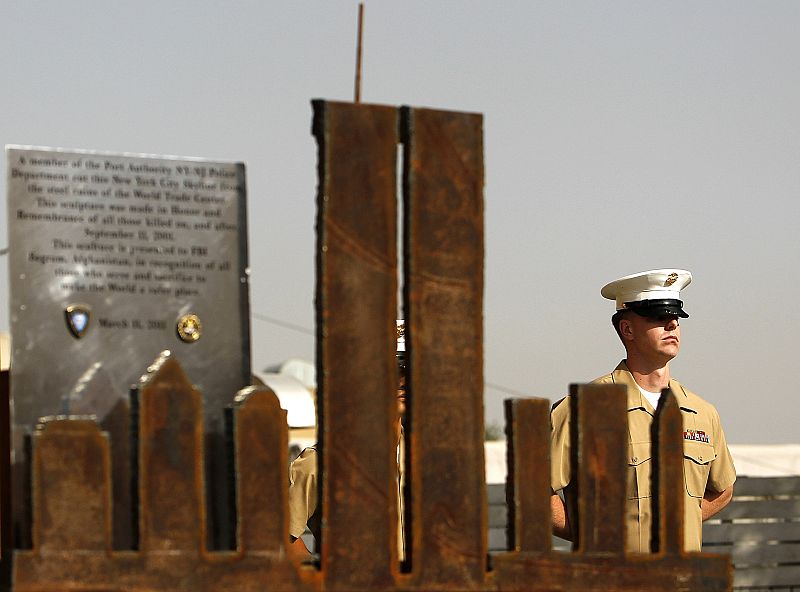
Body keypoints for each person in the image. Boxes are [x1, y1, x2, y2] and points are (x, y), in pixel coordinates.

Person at [550, 269, 736, 552]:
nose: (672, 324)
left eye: (675, 316)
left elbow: (723, 489)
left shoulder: (702, 413)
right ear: (627, 329)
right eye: (658, 316)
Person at [287, 321, 407, 561]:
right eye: (394, 371)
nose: (403, 381)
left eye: (411, 372)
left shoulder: (428, 458)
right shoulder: (321, 461)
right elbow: (281, 537)